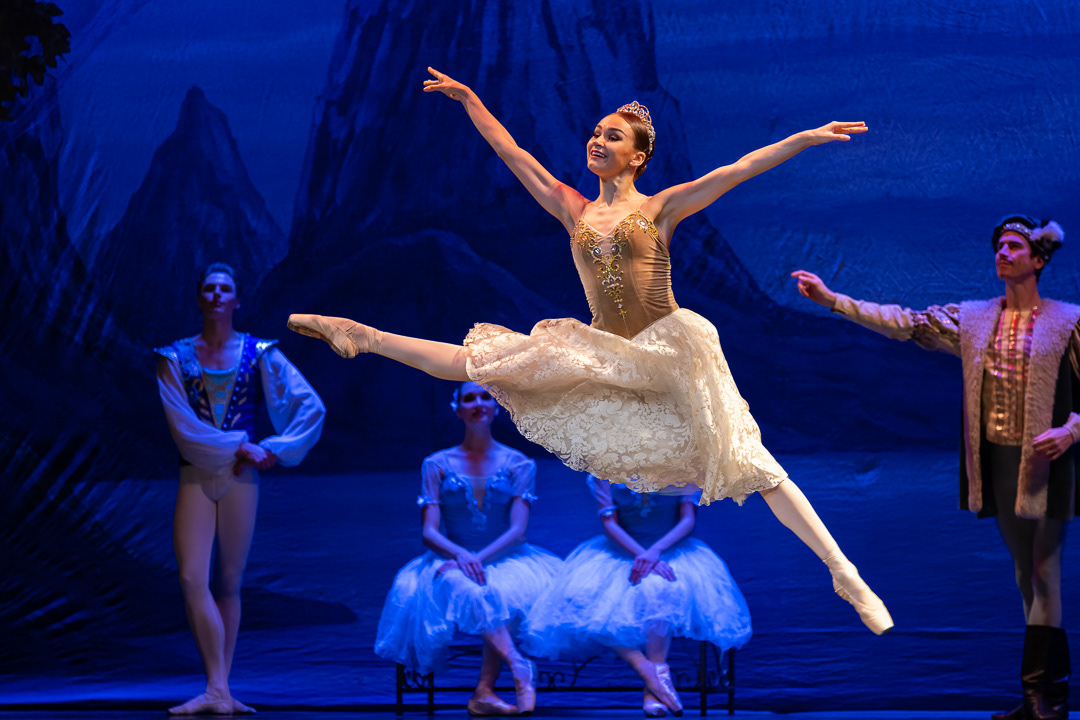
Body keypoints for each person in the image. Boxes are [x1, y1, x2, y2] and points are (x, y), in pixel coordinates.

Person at [288, 67, 892, 636]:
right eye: (596, 132)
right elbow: (512, 153)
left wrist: (804, 139)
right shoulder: (571, 207)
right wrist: (471, 100)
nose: (598, 140)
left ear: (638, 157)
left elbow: (738, 168)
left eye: (613, 136)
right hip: (607, 351)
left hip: (671, 349)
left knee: (752, 463)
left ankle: (844, 571)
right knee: (488, 361)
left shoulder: (659, 207)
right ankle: (362, 334)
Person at [792, 216, 1075, 720]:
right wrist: (834, 300)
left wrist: (1072, 430)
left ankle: (1044, 698)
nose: (1003, 253)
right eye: (999, 246)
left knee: (1042, 569)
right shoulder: (974, 319)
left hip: (1046, 461)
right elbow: (905, 322)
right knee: (1024, 574)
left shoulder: (1068, 321)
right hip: (999, 460)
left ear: (1038, 259)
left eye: (1014, 246)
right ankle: (1039, 696)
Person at [155, 263, 326, 715]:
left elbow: (309, 405)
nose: (216, 295)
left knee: (229, 583)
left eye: (224, 289)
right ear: (199, 297)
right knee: (192, 578)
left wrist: (274, 448)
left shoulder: (259, 353)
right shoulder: (173, 357)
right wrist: (240, 445)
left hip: (238, 479)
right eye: (209, 289)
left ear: (237, 299)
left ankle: (220, 689)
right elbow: (182, 426)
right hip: (196, 474)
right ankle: (217, 689)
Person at [375, 381, 560, 716]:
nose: (478, 403)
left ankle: (484, 692)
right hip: (450, 557)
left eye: (486, 397)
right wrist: (460, 556)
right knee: (472, 590)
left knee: (498, 591)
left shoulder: (519, 464)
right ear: (458, 409)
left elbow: (518, 532)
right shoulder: (436, 464)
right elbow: (429, 532)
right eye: (469, 398)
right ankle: (518, 666)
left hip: (506, 558)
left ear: (496, 407)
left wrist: (476, 559)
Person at [525, 475, 751, 717]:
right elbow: (610, 525)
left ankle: (652, 691)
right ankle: (651, 672)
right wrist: (642, 555)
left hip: (670, 553)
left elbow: (687, 520)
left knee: (660, 590)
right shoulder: (604, 471)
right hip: (621, 553)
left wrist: (654, 553)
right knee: (582, 601)